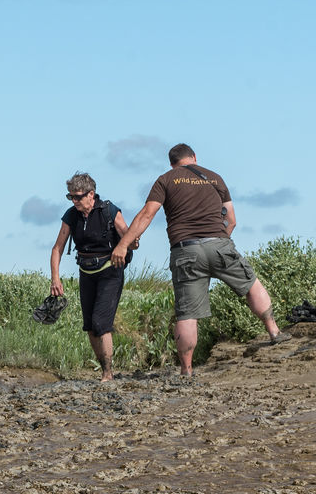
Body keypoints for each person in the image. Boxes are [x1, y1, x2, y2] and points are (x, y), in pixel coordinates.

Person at [111, 144, 289, 375]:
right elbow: (232, 220)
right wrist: (219, 243)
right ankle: (274, 332)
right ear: (194, 158)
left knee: (187, 312)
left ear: (172, 162)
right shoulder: (214, 178)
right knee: (251, 284)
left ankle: (187, 370)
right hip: (219, 244)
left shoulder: (166, 179)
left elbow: (147, 214)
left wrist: (123, 244)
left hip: (186, 251)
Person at [48, 173, 133, 382]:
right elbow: (57, 248)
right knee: (89, 326)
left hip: (110, 272)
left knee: (101, 322)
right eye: (71, 197)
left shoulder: (110, 211)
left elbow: (129, 236)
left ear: (91, 194)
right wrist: (55, 279)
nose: (74, 201)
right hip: (86, 272)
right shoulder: (71, 215)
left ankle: (107, 373)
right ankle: (104, 368)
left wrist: (131, 243)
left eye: (78, 197)